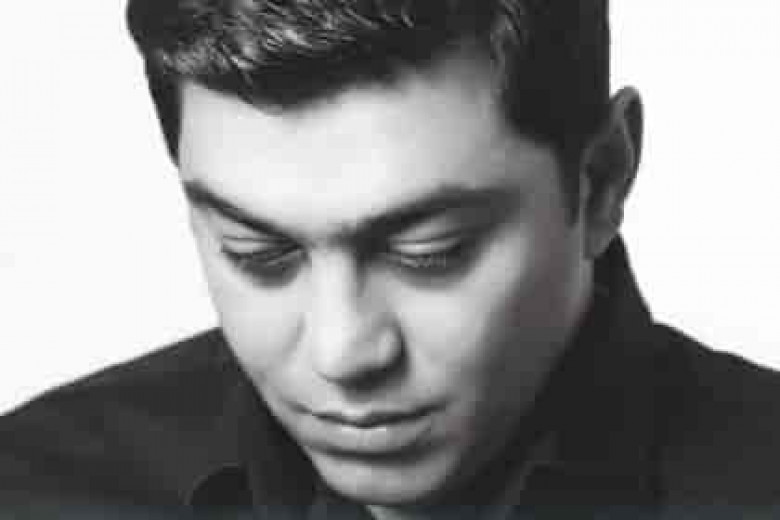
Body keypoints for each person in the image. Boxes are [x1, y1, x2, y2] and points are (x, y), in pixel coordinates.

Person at [1, 0, 779, 518]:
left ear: (602, 179)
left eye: (429, 253)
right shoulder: (30, 485)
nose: (342, 353)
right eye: (257, 254)